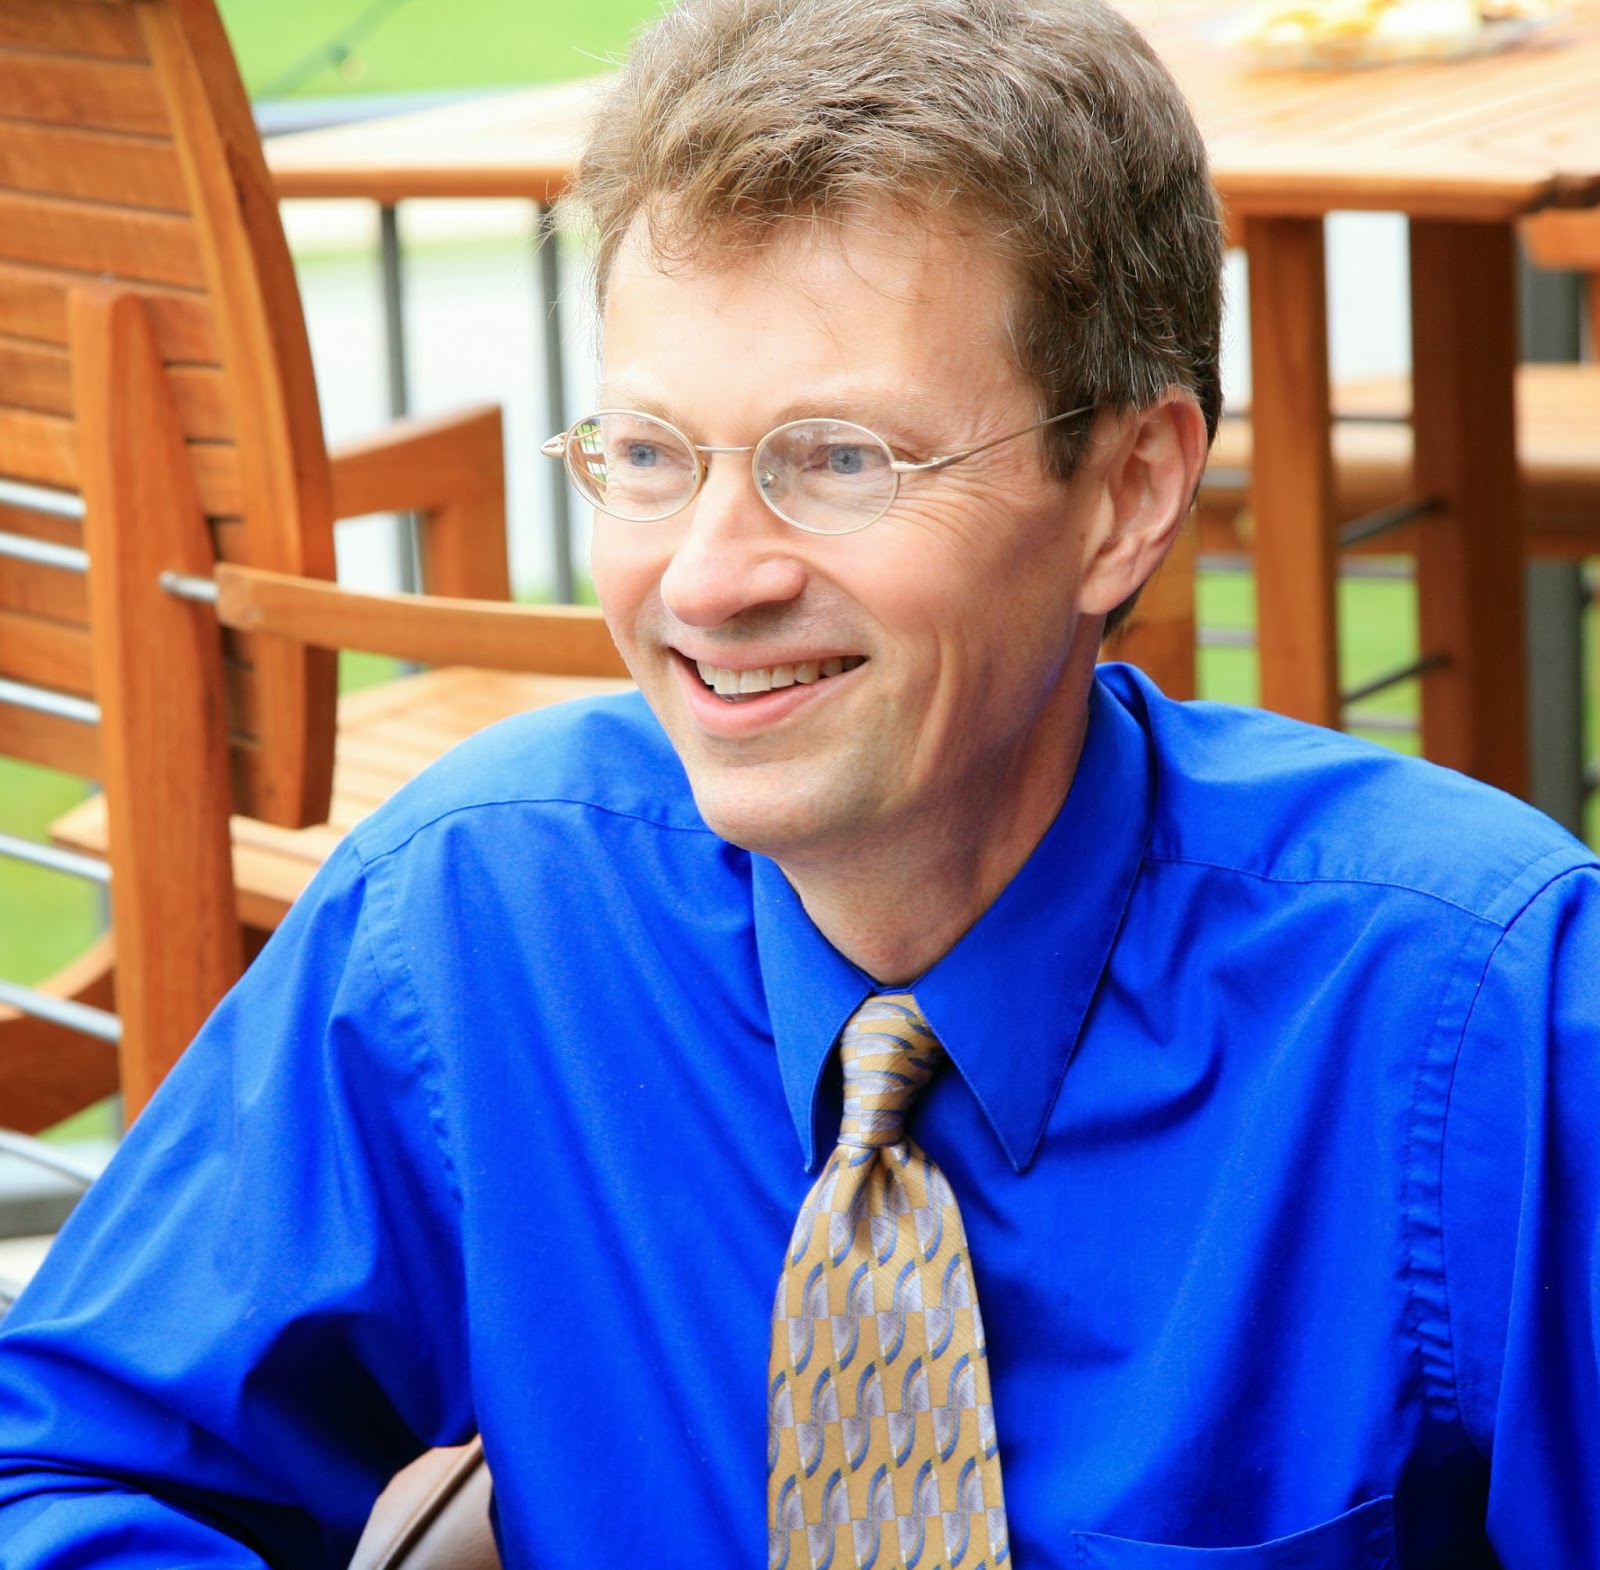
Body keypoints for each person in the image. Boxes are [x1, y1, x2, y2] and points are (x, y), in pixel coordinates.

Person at [1, 0, 1597, 1562]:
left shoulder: (1478, 1022)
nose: (707, 579)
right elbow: (67, 1466)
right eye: (647, 452)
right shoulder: (479, 919)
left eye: (838, 459)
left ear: (1126, 495)